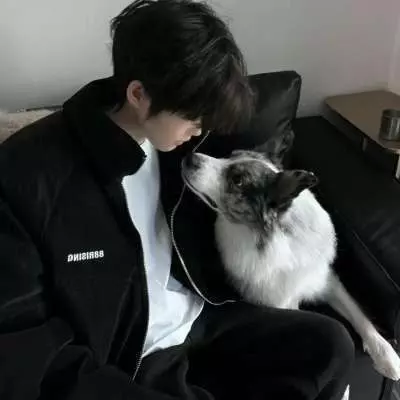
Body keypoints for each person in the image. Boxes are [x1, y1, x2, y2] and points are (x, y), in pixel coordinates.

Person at [0, 1, 354, 399]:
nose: (201, 129)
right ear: (138, 94)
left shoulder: (177, 145)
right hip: (133, 358)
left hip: (198, 321)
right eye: (193, 117)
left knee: (330, 347)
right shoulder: (27, 174)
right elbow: (23, 348)